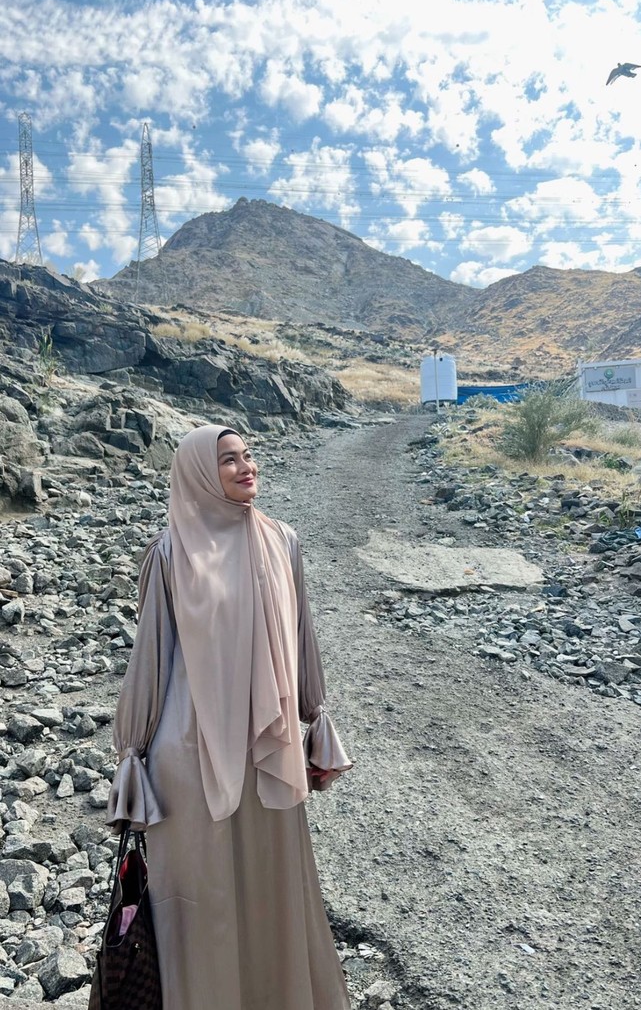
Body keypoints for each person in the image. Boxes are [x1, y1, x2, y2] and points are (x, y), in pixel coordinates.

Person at [106, 423, 353, 1010]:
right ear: (197, 473)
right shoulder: (170, 551)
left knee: (270, 891)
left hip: (266, 749)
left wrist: (315, 719)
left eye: (248, 456)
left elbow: (301, 639)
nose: (246, 468)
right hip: (187, 755)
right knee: (203, 898)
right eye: (227, 461)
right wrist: (132, 754)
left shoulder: (283, 541)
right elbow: (151, 658)